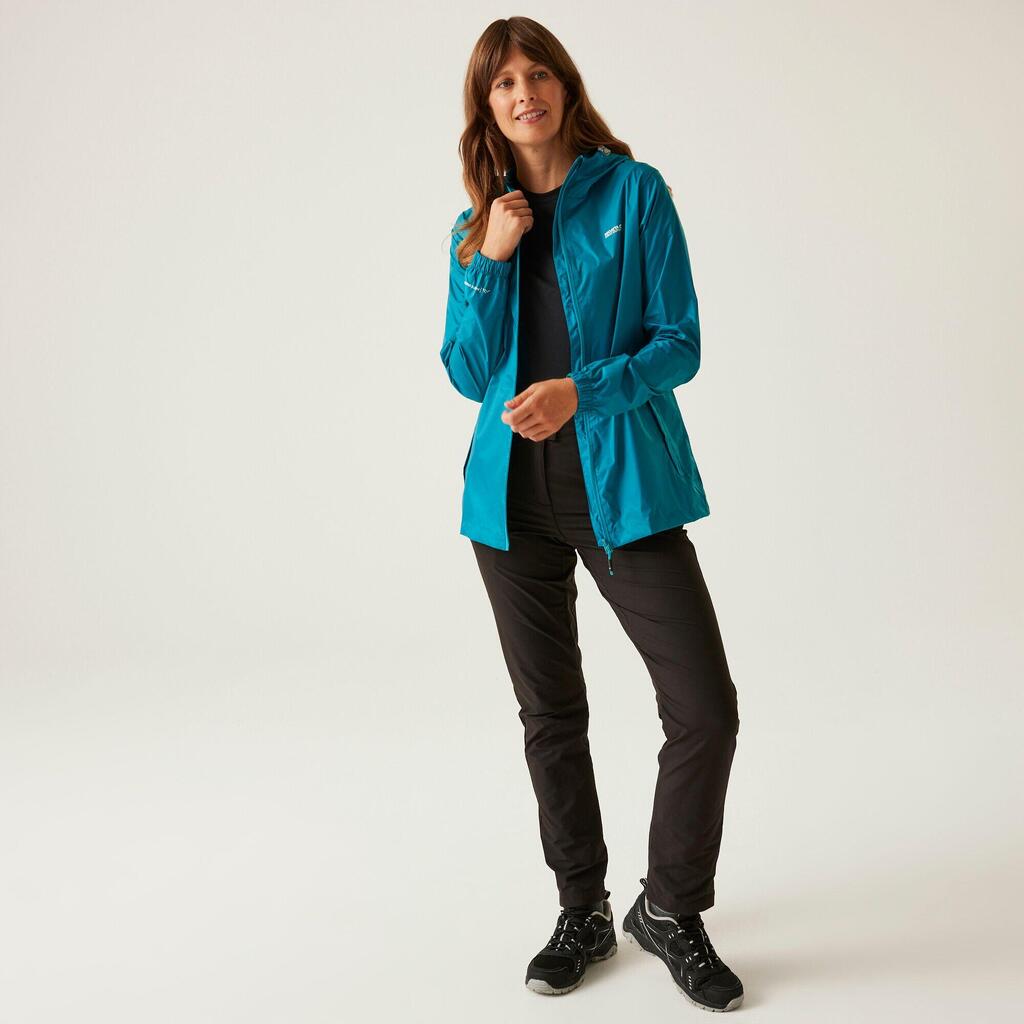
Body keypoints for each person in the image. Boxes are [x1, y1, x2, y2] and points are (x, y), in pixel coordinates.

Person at [439, 17, 743, 1013]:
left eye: (537, 74)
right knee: (551, 716)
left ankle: (671, 909)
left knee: (703, 708)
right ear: (486, 107)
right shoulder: (477, 225)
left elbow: (679, 342)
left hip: (625, 487)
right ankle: (581, 910)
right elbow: (467, 372)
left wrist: (584, 391)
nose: (522, 93)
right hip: (507, 505)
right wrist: (490, 255)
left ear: (565, 86)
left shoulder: (634, 192)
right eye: (502, 84)